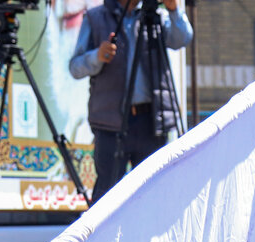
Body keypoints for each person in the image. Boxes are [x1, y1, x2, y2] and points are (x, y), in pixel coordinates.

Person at [69, 0, 191, 205]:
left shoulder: (156, 16)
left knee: (153, 195)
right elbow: (75, 67)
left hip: (151, 122)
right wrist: (97, 56)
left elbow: (182, 38)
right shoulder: (96, 18)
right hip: (110, 125)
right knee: (107, 198)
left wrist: (173, 10)